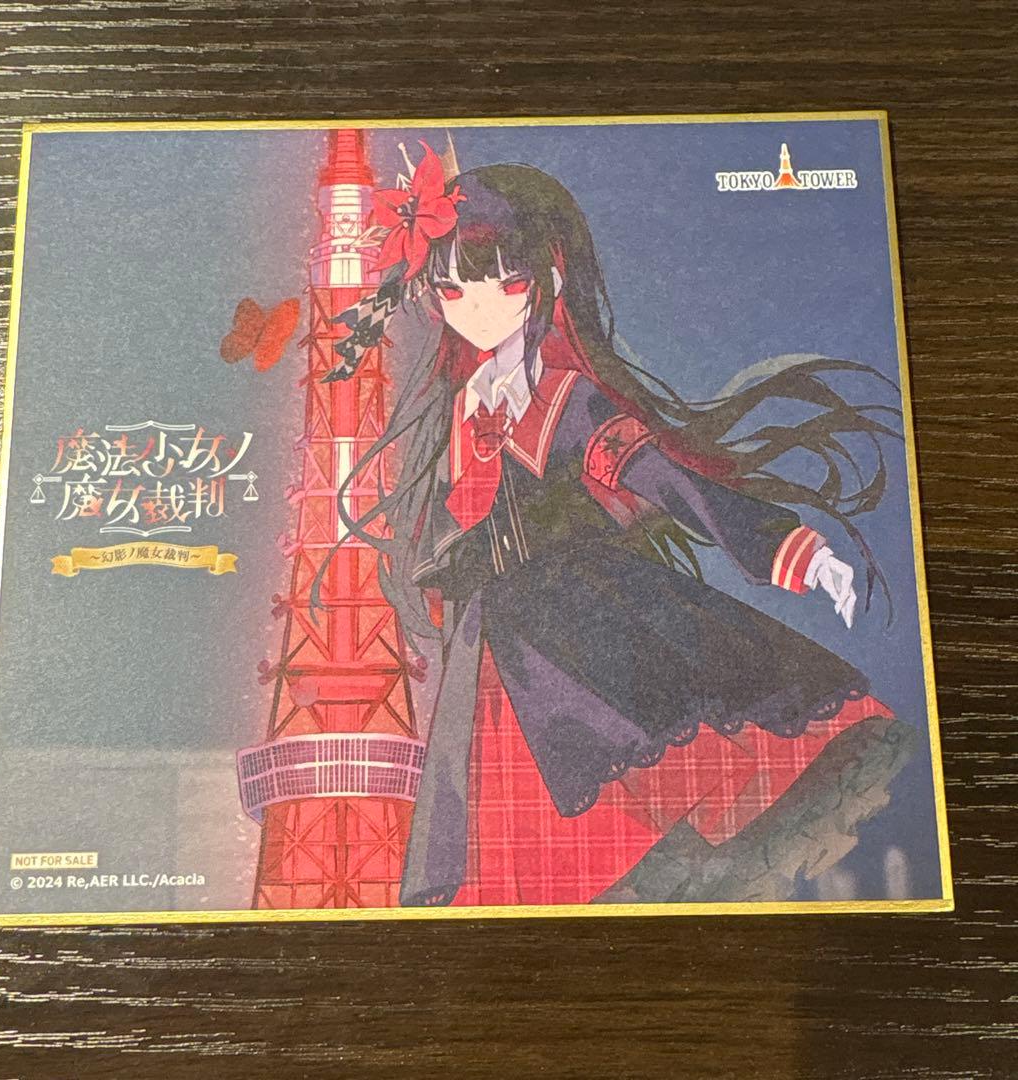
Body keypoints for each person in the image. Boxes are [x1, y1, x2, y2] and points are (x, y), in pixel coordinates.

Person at [317, 142, 916, 907]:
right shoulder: (459, 407)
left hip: (583, 633)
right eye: (454, 288)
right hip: (491, 657)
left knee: (616, 808)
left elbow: (665, 478)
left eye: (505, 281)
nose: (479, 305)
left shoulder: (568, 400)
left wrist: (781, 546)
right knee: (506, 840)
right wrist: (434, 572)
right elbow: (450, 522)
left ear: (550, 277)